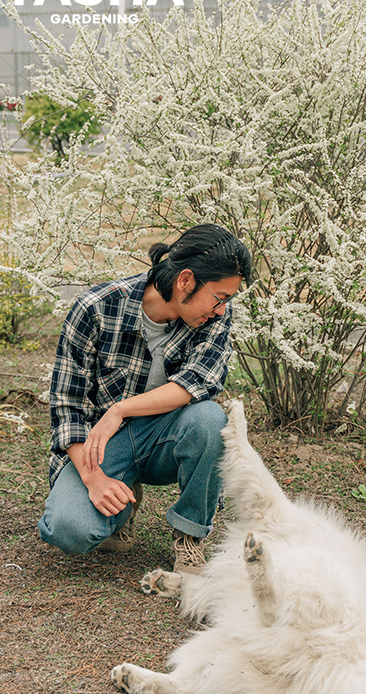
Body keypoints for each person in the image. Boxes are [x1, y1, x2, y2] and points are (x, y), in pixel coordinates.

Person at [38, 223, 252, 574]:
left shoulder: (212, 319)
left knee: (211, 419)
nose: (222, 310)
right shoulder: (95, 308)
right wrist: (94, 479)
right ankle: (121, 505)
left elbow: (195, 384)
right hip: (101, 446)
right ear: (185, 281)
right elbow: (66, 406)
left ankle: (189, 537)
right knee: (68, 530)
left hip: (165, 437)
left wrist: (120, 410)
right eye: (220, 297)